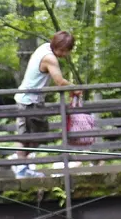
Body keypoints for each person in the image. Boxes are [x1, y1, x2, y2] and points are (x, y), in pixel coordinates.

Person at [13, 31, 79, 179]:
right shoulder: (49, 58)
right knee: (26, 136)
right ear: (54, 45)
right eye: (60, 50)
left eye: (65, 51)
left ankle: (22, 163)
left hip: (34, 100)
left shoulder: (44, 48)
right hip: (28, 101)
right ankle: (20, 167)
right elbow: (60, 82)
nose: (62, 54)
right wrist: (75, 88)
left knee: (38, 134)